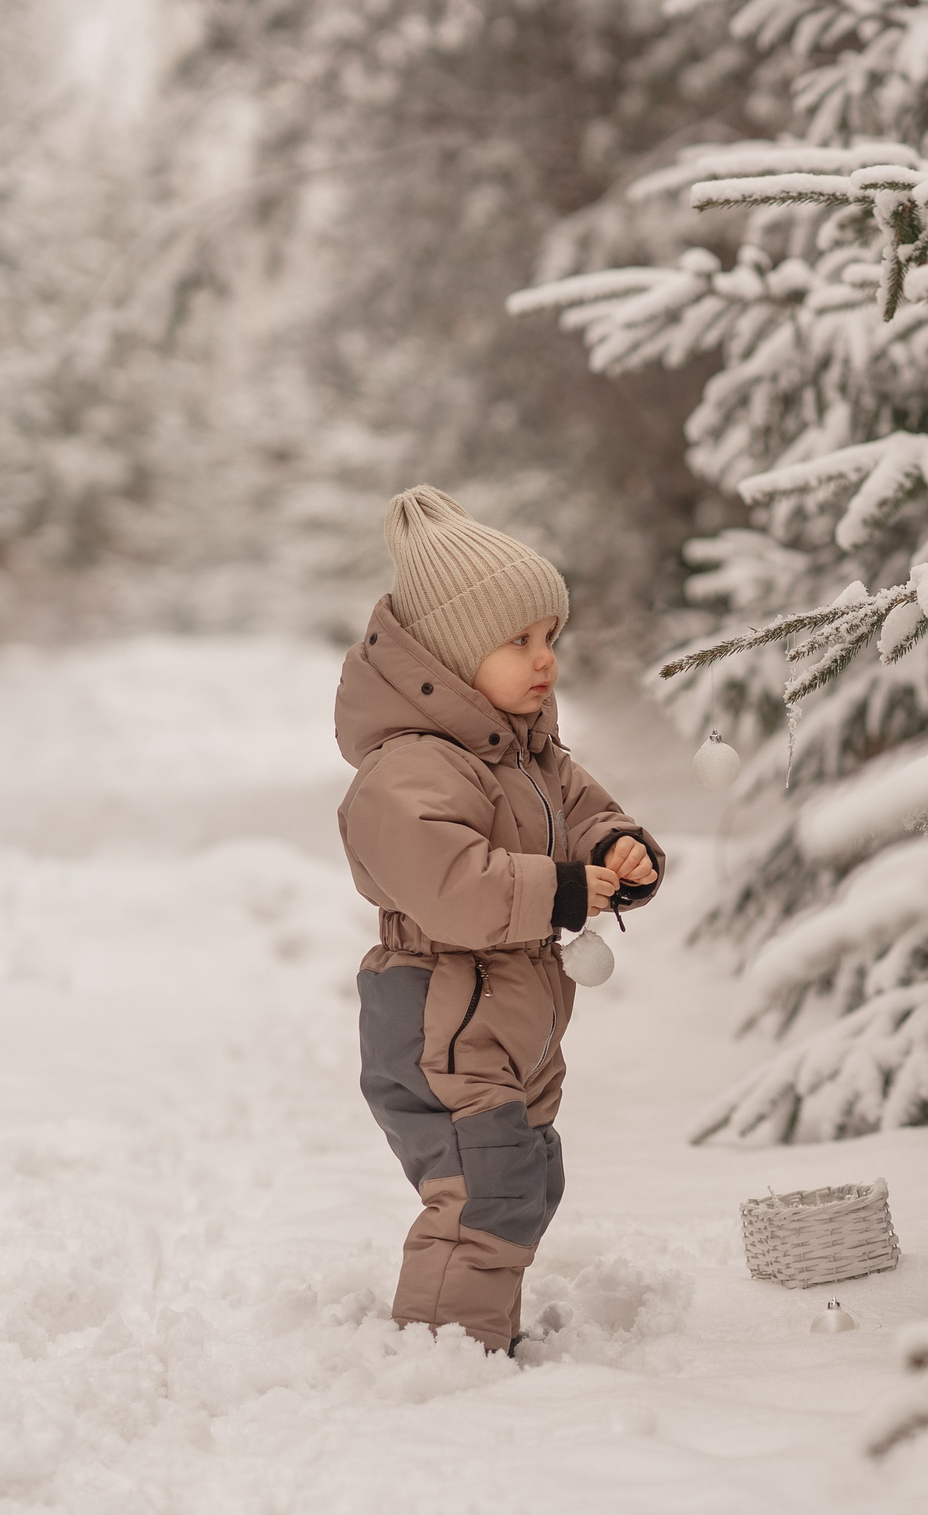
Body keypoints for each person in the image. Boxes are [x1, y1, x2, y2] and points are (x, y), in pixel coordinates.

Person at [333, 486, 663, 1354]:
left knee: (521, 1178)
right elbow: (451, 883)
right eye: (516, 640)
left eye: (549, 635)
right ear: (447, 649)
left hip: (506, 1014)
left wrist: (620, 852)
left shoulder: (529, 750)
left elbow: (587, 811)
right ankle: (445, 1358)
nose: (543, 657)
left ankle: (475, 1335)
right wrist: (557, 890)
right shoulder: (407, 770)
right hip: (439, 1013)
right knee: (486, 1189)